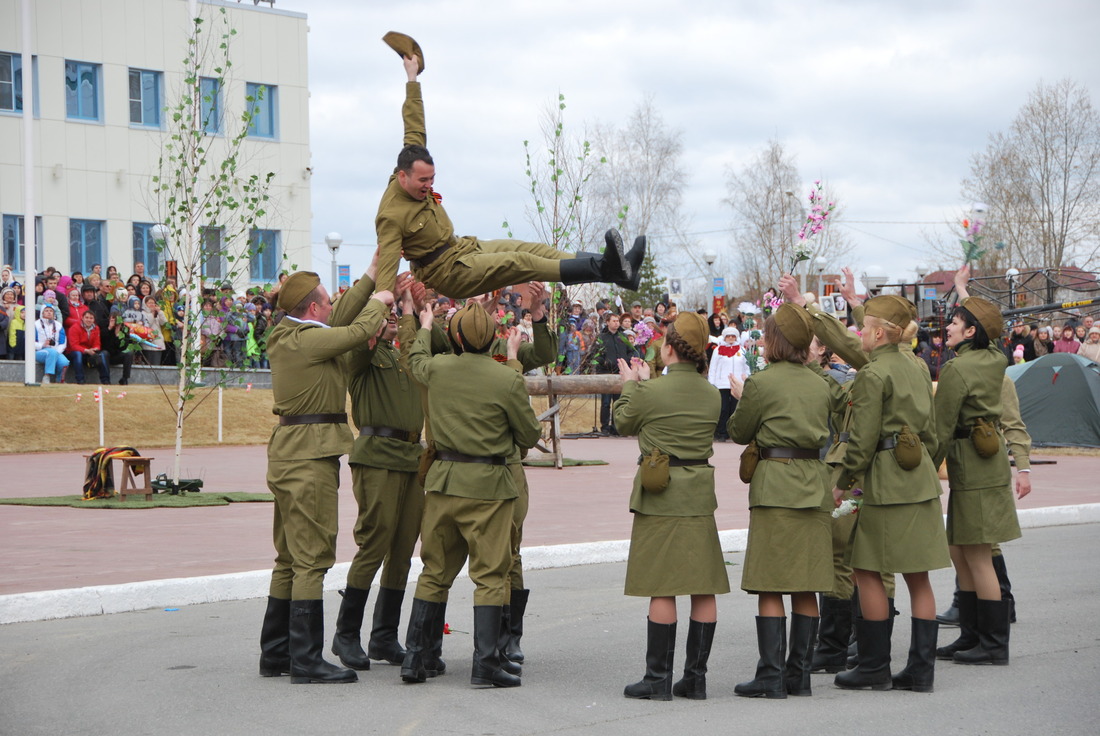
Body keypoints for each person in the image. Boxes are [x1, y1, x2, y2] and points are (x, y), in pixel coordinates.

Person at [374, 47, 646, 300]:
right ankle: (612, 270)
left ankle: (622, 270)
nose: (429, 185)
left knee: (532, 249)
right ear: (402, 177)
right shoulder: (391, 216)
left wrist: (411, 76)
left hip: (462, 249)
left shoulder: (411, 161)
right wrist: (380, 305)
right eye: (423, 181)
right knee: (522, 263)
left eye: (432, 179)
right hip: (446, 273)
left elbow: (414, 124)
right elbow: (386, 266)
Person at [258, 270, 393, 685]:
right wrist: (381, 299)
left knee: (288, 558)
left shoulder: (287, 336)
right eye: (327, 304)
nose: (332, 309)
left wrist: (370, 276)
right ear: (314, 309)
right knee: (313, 557)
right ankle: (306, 659)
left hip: (289, 452)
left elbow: (345, 327)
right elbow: (356, 329)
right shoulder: (308, 340)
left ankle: (276, 653)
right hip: (309, 457)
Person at [400, 301, 542, 688]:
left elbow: (415, 360)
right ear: (492, 339)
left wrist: (425, 325)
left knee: (434, 571)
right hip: (489, 487)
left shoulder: (437, 369)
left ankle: (415, 659)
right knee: (491, 575)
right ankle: (486, 664)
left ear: (456, 337)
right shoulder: (505, 379)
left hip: (444, 482)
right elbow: (530, 435)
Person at [829, 296, 952, 692]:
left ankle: (873, 668)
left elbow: (861, 442)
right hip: (919, 482)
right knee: (919, 578)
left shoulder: (873, 374)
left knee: (866, 570)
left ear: (879, 333)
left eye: (864, 328)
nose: (860, 334)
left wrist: (843, 483)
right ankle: (921, 671)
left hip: (884, 486)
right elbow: (932, 434)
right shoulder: (917, 368)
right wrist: (922, 469)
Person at [613, 312, 728, 701]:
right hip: (698, 494)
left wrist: (632, 385)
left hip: (660, 493)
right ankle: (695, 679)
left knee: (662, 586)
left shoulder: (651, 391)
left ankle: (657, 679)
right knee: (703, 586)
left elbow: (623, 422)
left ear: (668, 348)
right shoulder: (711, 393)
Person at [727, 304, 833, 699]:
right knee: (807, 584)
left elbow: (739, 432)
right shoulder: (821, 383)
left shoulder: (762, 382)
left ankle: (771, 677)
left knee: (771, 584)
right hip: (813, 483)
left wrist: (742, 396)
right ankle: (798, 677)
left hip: (774, 485)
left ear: (774, 341)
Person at [327, 262, 428, 674]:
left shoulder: (406, 353)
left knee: (404, 549)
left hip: (410, 457)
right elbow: (355, 330)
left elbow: (422, 336)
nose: (389, 321)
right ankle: (346, 634)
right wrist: (379, 298)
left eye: (392, 317)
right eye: (384, 317)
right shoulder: (360, 354)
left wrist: (410, 306)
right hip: (377, 455)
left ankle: (385, 635)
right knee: (375, 543)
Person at [932, 290, 1025, 667]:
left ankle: (992, 644)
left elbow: (941, 426)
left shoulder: (958, 368)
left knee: (978, 556)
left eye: (955, 323)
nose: (949, 328)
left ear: (971, 331)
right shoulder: (992, 359)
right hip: (982, 462)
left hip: (971, 466)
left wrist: (925, 467)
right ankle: (972, 636)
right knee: (962, 550)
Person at [593, 314, 638, 434]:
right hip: (606, 374)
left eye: (618, 321)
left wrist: (628, 360)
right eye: (614, 321)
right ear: (607, 322)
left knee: (618, 401)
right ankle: (605, 427)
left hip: (620, 373)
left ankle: (616, 426)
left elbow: (632, 351)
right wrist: (603, 362)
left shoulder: (623, 336)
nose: (616, 323)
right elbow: (594, 354)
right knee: (606, 402)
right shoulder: (601, 337)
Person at [707, 326, 748, 441]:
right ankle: (722, 432)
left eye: (733, 336)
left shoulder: (742, 350)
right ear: (724, 337)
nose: (730, 338)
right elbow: (713, 367)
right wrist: (712, 383)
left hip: (737, 383)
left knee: (736, 408)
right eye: (728, 336)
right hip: (722, 383)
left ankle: (734, 432)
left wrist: (747, 380)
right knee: (723, 408)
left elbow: (746, 366)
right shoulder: (718, 350)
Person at [67, 309, 110, 385]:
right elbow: (73, 345)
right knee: (78, 354)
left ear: (94, 320)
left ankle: (106, 380)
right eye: (86, 318)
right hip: (74, 352)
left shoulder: (96, 328)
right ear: (82, 318)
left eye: (91, 318)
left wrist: (95, 349)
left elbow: (97, 343)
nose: (89, 320)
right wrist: (86, 350)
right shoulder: (75, 328)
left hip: (89, 352)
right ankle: (80, 380)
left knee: (104, 353)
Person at [35, 304, 70, 383]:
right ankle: (47, 376)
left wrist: (57, 352)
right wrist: (42, 345)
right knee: (51, 352)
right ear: (42, 313)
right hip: (39, 351)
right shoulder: (36, 324)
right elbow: (30, 342)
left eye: (51, 311)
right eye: (46, 311)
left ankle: (60, 379)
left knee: (65, 362)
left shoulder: (58, 325)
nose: (49, 312)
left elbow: (63, 342)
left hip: (55, 351)